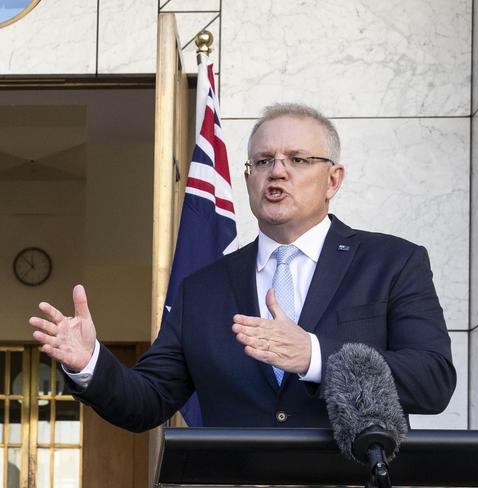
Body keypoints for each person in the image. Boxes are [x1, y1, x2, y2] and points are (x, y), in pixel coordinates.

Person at [29, 103, 456, 432]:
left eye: (298, 160)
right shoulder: (204, 288)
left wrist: (315, 357)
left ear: (333, 180)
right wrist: (89, 362)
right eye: (264, 161)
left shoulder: (392, 263)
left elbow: (432, 381)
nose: (277, 172)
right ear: (249, 178)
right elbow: (149, 400)